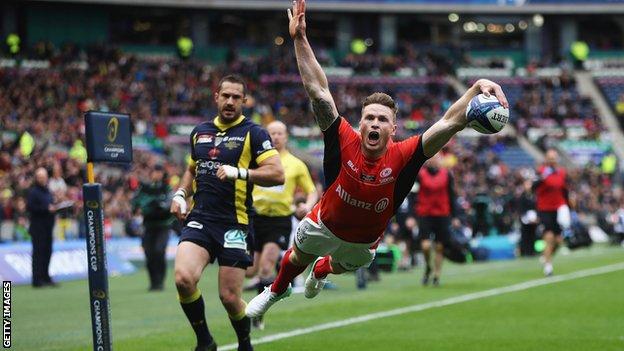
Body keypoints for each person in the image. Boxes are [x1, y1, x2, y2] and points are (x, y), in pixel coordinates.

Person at [246, 0, 508, 318]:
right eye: (369, 117)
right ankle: (276, 290)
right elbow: (318, 90)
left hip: (364, 241)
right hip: (325, 222)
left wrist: (474, 89)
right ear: (360, 123)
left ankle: (323, 270)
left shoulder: (405, 153)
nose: (374, 123)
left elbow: (451, 122)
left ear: (393, 128)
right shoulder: (343, 137)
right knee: (296, 257)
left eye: (382, 120)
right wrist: (300, 39)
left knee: (340, 264)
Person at [169, 75, 284, 351]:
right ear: (216, 97)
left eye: (236, 97)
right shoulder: (199, 132)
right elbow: (191, 169)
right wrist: (180, 194)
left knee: (230, 298)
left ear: (244, 101)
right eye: (226, 96)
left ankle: (245, 343)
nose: (230, 101)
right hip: (201, 219)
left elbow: (277, 173)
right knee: (183, 279)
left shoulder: (254, 133)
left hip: (235, 224)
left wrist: (240, 173)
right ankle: (205, 341)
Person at [246, 120, 318, 330]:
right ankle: (268, 291)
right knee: (250, 271)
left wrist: (307, 205)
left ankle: (258, 314)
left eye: (280, 133)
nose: (276, 137)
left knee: (267, 265)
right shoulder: (257, 161)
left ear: (286, 137)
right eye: (272, 133)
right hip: (255, 218)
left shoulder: (296, 164)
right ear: (267, 137)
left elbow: (311, 190)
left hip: (279, 220)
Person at [415, 154, 457, 287]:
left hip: (442, 214)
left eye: (436, 158)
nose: (433, 160)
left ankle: (437, 275)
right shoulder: (420, 175)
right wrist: (411, 215)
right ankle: (428, 266)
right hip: (425, 213)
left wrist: (455, 216)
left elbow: (451, 195)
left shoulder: (447, 174)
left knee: (439, 246)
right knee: (426, 246)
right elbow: (413, 194)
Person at [132, 164, 174, 291]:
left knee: (159, 251)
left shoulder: (166, 188)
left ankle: (160, 281)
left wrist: (154, 205)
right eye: (155, 171)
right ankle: (153, 282)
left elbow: (168, 204)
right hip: (148, 226)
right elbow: (136, 202)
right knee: (148, 253)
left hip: (163, 226)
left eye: (159, 172)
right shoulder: (144, 188)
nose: (157, 174)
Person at [534, 148, 568, 276]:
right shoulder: (541, 171)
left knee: (559, 240)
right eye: (550, 158)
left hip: (558, 209)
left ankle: (546, 256)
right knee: (549, 237)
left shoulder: (561, 173)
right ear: (546, 159)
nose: (552, 160)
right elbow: (533, 186)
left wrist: (569, 206)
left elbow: (565, 191)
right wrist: (543, 176)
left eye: (554, 158)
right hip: (544, 209)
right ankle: (548, 267)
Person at [27, 167, 59, 288]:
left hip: (48, 227)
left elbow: (50, 204)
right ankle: (37, 279)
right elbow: (30, 208)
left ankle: (45, 276)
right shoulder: (33, 192)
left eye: (44, 177)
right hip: (38, 228)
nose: (43, 179)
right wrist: (46, 209)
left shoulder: (47, 191)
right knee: (38, 254)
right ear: (37, 178)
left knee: (47, 252)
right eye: (40, 177)